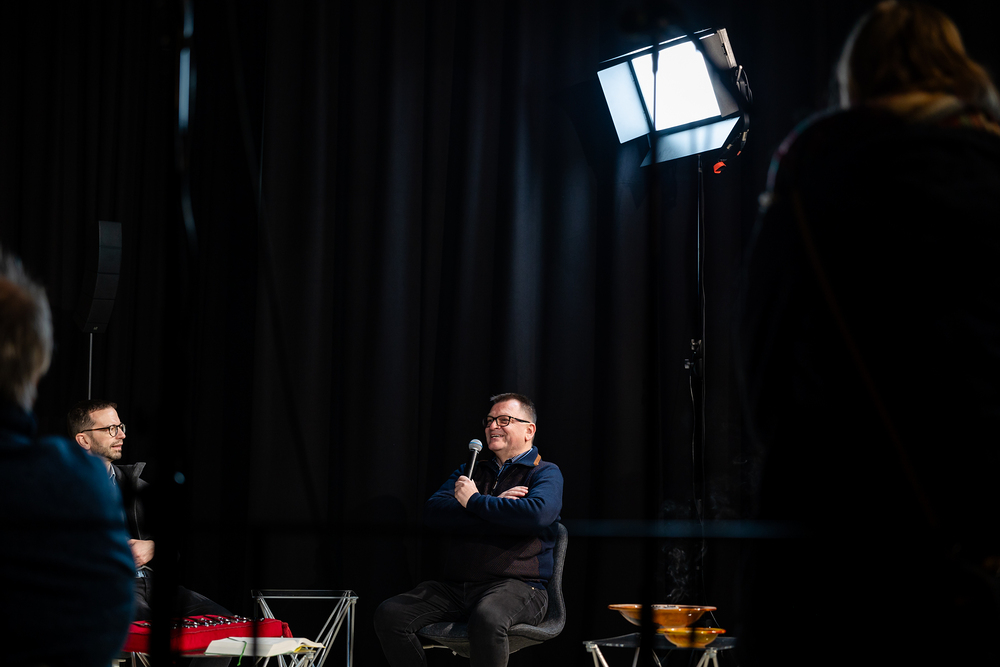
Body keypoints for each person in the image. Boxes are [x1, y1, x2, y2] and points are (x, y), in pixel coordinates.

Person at [738, 2, 1000, 664]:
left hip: (837, 514)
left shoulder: (809, 169)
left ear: (855, 77)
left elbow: (764, 357)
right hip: (979, 508)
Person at [0, 248, 135, 666]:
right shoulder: (71, 478)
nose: (120, 435)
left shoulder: (122, 481)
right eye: (110, 429)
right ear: (36, 364)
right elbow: (105, 621)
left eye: (121, 427)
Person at [374, 393, 563, 667]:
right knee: (390, 614)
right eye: (489, 420)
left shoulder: (545, 472)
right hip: (456, 588)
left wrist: (474, 501)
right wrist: (496, 506)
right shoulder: (470, 471)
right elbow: (434, 513)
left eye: (504, 420)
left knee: (488, 617)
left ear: (529, 430)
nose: (492, 426)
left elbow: (536, 515)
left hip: (520, 587)